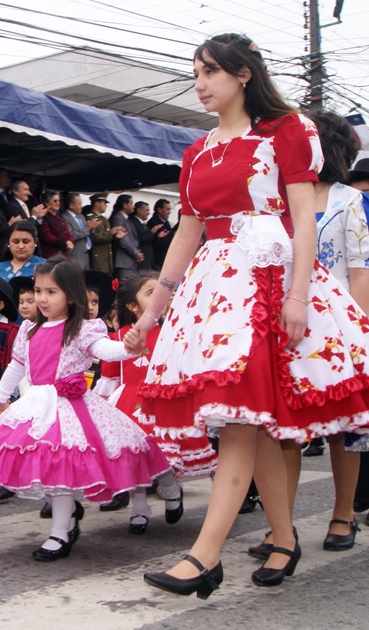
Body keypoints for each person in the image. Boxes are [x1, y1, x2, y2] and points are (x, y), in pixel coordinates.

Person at [132, 34, 369, 599]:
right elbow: (187, 233)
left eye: (210, 71)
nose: (200, 83)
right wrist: (152, 313)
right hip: (215, 290)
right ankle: (283, 537)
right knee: (251, 420)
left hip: (269, 281)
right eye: (195, 73)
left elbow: (304, 218)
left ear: (243, 74)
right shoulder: (197, 150)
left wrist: (296, 295)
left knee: (244, 418)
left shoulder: (287, 130)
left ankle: (204, 556)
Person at [0, 258, 170, 562]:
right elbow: (18, 365)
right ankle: (67, 516)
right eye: (38, 291)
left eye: (51, 292)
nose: (42, 299)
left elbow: (105, 350)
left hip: (70, 408)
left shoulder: (83, 328)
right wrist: (1, 395)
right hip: (36, 405)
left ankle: (60, 531)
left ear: (71, 295)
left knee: (59, 465)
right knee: (43, 465)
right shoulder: (28, 329)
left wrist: (128, 347)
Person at [253, 110, 369, 558]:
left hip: (336, 324)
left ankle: (343, 513)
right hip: (286, 321)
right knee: (284, 428)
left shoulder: (350, 200)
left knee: (342, 427)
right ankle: (282, 527)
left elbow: (360, 272)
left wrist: (358, 335)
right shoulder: (278, 197)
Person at [94, 273, 211, 534]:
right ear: (132, 306)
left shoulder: (173, 332)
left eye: (163, 292)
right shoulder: (118, 337)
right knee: (133, 456)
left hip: (163, 399)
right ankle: (139, 507)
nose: (161, 297)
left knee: (162, 450)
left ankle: (170, 489)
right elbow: (109, 375)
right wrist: (100, 408)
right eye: (150, 293)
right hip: (128, 403)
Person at [111, 194, 143, 280]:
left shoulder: (127, 219)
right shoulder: (118, 218)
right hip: (124, 261)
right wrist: (136, 254)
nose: (133, 206)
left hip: (131, 260)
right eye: (131, 203)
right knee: (125, 285)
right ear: (124, 205)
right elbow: (123, 240)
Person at [62, 192, 98, 270]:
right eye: (79, 204)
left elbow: (87, 232)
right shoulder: (65, 218)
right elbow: (71, 235)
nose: (82, 206)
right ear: (71, 205)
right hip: (75, 256)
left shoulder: (81, 216)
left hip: (86, 255)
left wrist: (92, 228)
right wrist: (87, 228)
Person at [37, 190, 74, 259]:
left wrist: (70, 241)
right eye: (55, 201)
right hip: (51, 254)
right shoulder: (44, 217)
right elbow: (46, 236)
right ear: (47, 203)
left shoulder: (59, 216)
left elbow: (66, 231)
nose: (58, 203)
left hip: (63, 253)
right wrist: (64, 245)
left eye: (59, 201)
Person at [86, 193, 116, 276]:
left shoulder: (104, 219)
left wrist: (115, 236)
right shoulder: (90, 218)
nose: (106, 205)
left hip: (106, 259)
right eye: (104, 203)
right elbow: (94, 237)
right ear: (96, 203)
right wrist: (110, 233)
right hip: (98, 258)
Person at [147, 199, 175, 270]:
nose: (169, 212)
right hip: (158, 259)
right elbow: (153, 242)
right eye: (167, 209)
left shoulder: (165, 222)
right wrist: (159, 237)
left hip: (166, 257)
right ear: (159, 210)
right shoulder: (154, 222)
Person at [130, 201, 154, 271]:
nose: (148, 213)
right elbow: (139, 238)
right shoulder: (133, 222)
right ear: (139, 210)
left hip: (147, 259)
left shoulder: (143, 224)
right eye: (147, 210)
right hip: (140, 259)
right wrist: (151, 232)